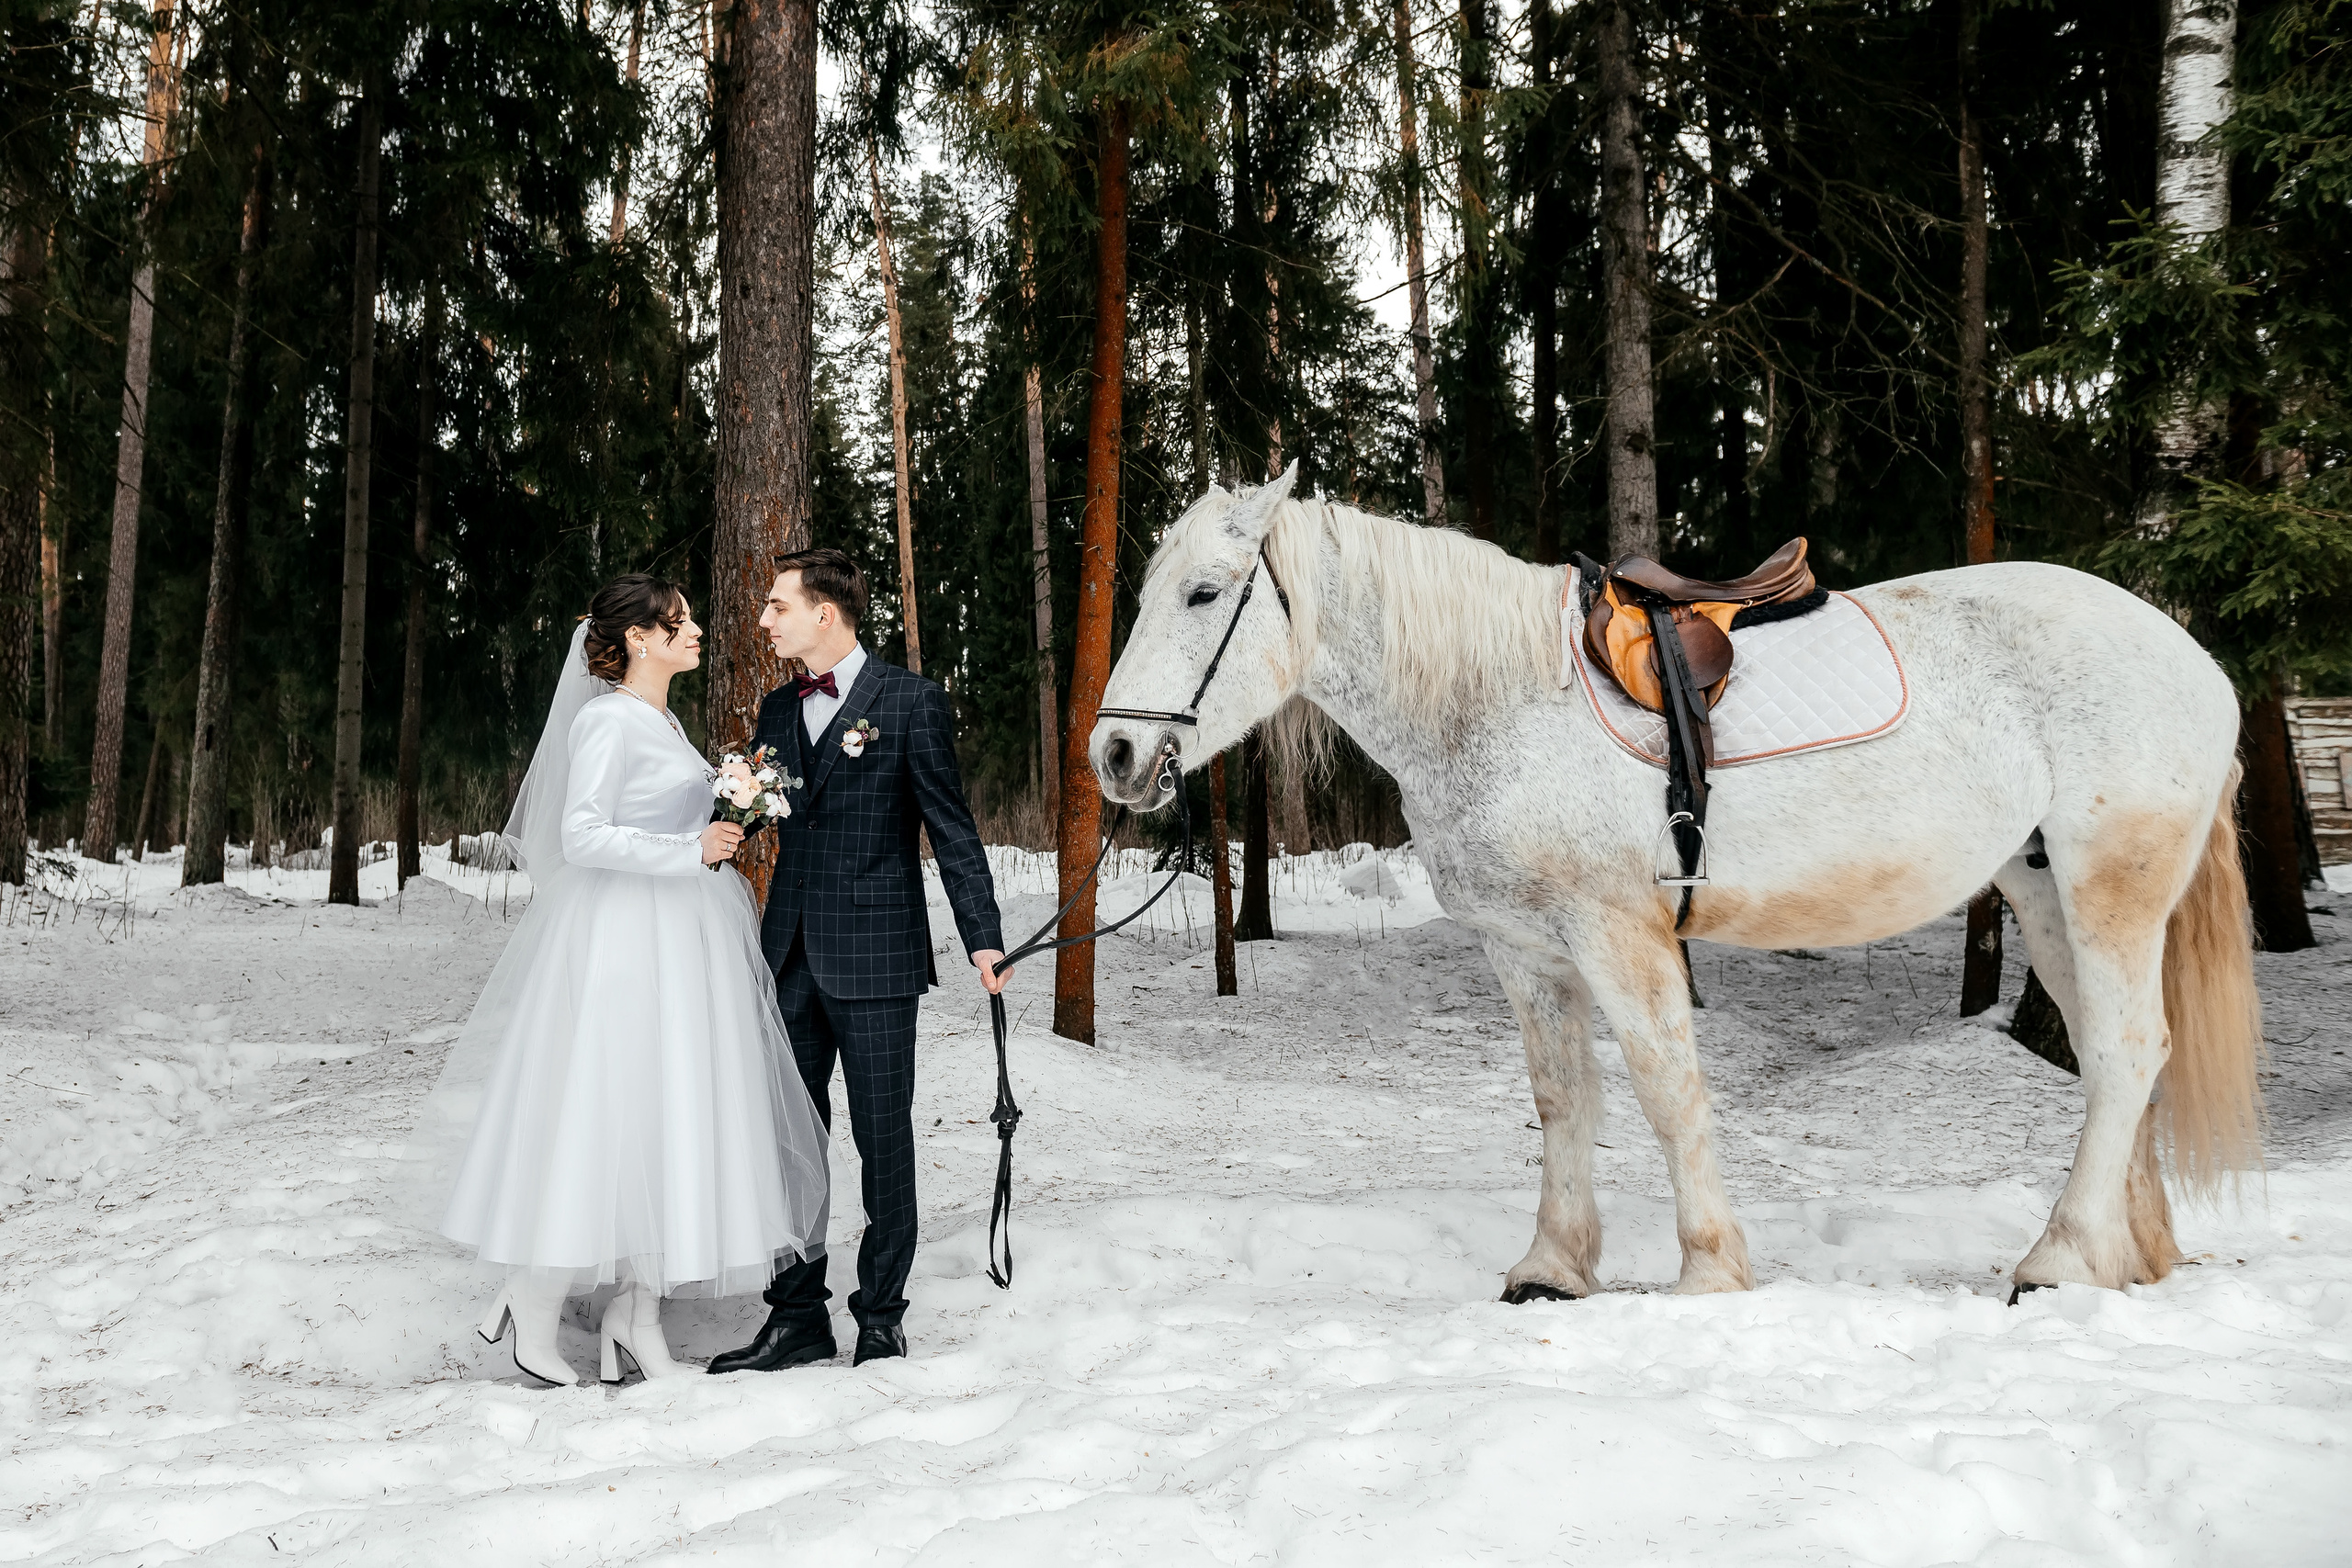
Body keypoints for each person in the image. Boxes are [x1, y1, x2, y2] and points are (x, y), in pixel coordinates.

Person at [423, 574, 831, 1387]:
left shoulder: (660, 719)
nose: (696, 631)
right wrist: (691, 851)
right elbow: (580, 835)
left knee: (666, 1114)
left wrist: (728, 814)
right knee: (607, 1112)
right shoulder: (608, 719)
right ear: (639, 638)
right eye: (679, 622)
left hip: (679, 940)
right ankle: (534, 1300)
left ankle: (636, 1318)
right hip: (628, 943)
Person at [708, 548, 1008, 1373]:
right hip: (789, 957)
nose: (764, 620)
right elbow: (756, 811)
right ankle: (797, 1313)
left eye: (778, 607)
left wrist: (982, 933)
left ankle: (880, 1314)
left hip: (877, 961)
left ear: (825, 615)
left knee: (884, 1142)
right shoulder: (777, 708)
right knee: (790, 1145)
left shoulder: (910, 702)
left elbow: (951, 828)